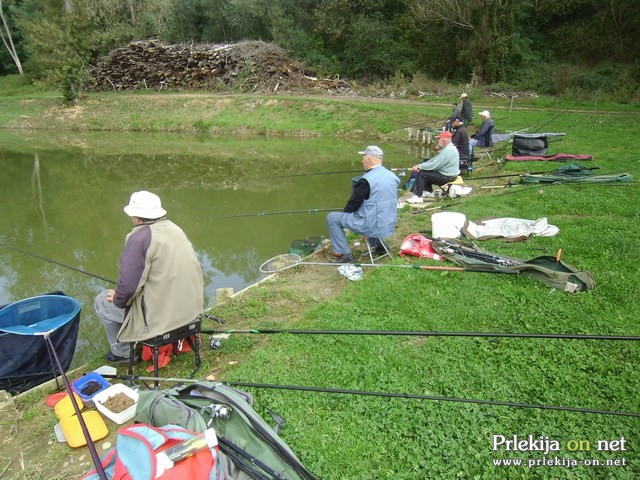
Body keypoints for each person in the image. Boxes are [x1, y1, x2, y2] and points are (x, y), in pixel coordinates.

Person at [94, 191, 204, 363]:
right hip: (191, 311)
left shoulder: (139, 238)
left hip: (163, 320)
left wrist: (118, 297)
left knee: (102, 300)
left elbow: (128, 289)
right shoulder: (175, 229)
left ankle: (122, 353)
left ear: (136, 216)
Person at [326, 146, 400, 263]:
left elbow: (353, 204)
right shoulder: (392, 176)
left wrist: (345, 213)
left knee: (332, 218)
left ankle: (345, 256)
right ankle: (380, 246)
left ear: (370, 159)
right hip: (389, 223)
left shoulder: (366, 180)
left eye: (363, 158)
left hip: (371, 226)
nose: (362, 161)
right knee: (375, 211)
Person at [406, 131, 460, 204]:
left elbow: (434, 165)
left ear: (443, 140)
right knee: (425, 171)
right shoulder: (448, 148)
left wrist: (420, 167)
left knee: (422, 173)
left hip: (447, 177)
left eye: (438, 139)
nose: (437, 141)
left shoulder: (448, 151)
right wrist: (421, 165)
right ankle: (428, 192)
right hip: (449, 175)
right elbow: (433, 160)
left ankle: (417, 196)